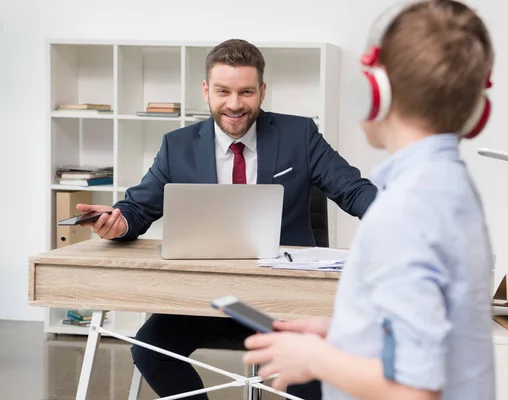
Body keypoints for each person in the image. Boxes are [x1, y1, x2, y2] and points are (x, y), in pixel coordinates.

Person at [77, 38, 378, 400]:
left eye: (246, 92)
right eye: (223, 91)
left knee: (310, 374)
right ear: (206, 90)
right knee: (149, 351)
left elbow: (353, 189)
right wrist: (118, 222)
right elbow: (138, 208)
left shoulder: (300, 135)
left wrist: (395, 220)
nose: (234, 104)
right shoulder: (178, 146)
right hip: (206, 295)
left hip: (283, 297)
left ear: (262, 91)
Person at [243, 1, 496, 399]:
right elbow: (433, 332)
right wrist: (345, 332)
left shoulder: (405, 210)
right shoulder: (447, 186)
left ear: (374, 90)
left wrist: (315, 358)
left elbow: (414, 391)